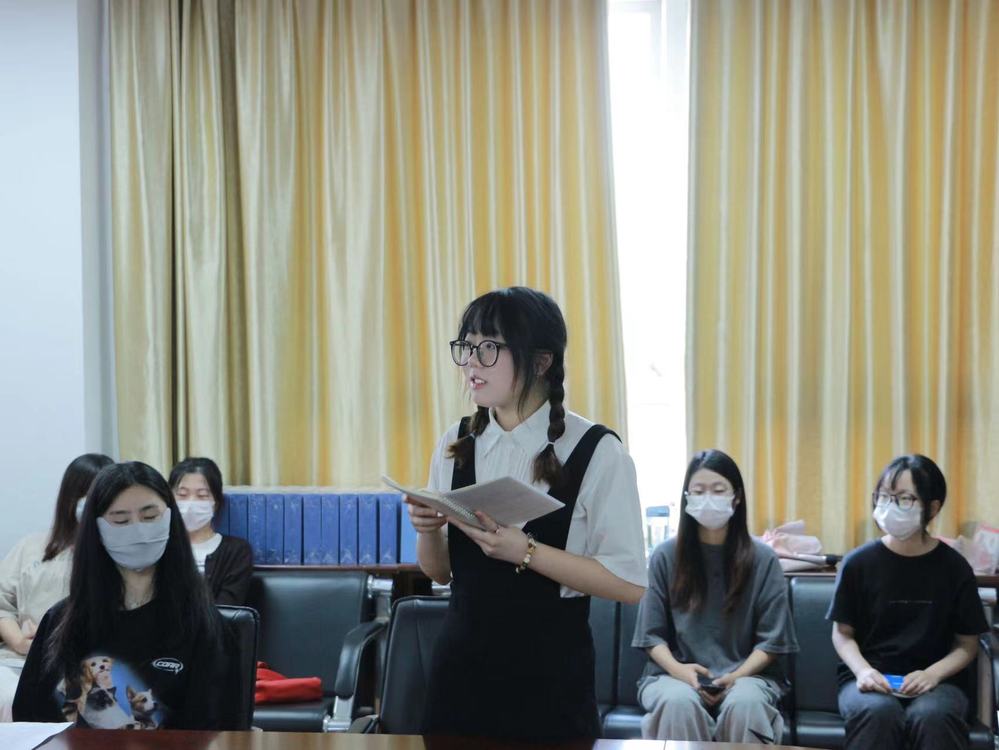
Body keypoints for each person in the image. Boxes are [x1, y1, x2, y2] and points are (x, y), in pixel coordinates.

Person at [407, 286, 647, 740]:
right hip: (459, 677)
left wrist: (526, 551)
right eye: (467, 347)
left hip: (549, 681)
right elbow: (439, 573)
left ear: (541, 362)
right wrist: (427, 530)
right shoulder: (456, 441)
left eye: (489, 348)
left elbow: (629, 583)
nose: (472, 363)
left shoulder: (597, 451)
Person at [13, 461, 241, 729]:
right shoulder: (60, 622)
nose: (138, 530)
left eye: (150, 517)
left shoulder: (204, 626)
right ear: (97, 530)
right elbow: (29, 720)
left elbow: (221, 729)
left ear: (170, 519)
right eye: (120, 520)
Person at [633, 449, 798, 742]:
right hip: (673, 676)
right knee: (678, 704)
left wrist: (735, 676)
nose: (708, 498)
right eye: (698, 491)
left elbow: (772, 641)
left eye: (718, 490)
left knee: (746, 705)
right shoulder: (664, 556)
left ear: (736, 497)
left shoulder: (763, 559)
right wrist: (681, 672)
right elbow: (650, 636)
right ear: (687, 498)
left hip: (749, 677)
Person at [828, 454, 989, 750]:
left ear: (933, 508)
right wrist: (863, 671)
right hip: (871, 678)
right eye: (884, 497)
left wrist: (932, 674)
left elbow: (967, 644)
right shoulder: (857, 563)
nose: (890, 506)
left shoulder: (954, 568)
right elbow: (842, 633)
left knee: (933, 716)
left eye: (904, 499)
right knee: (878, 713)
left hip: (940, 682)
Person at [0, 453, 113, 722]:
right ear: (69, 497)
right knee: (8, 698)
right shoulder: (31, 547)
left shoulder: (117, 554)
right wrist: (19, 641)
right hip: (17, 661)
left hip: (86, 665)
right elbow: (2, 603)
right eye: (85, 493)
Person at [168, 457, 252, 605]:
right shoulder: (160, 547)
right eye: (182, 495)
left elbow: (227, 609)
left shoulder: (236, 551)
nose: (191, 503)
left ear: (216, 503)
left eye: (202, 496)